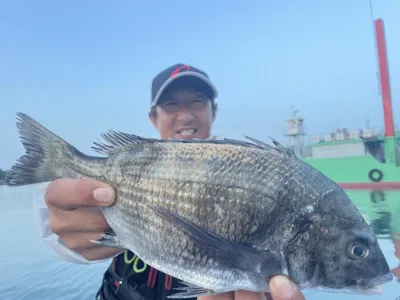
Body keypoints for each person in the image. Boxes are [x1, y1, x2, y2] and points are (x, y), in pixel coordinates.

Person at [34, 63, 306, 300]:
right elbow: (64, 222)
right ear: (153, 117)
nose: (185, 115)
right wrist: (64, 227)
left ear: (214, 110)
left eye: (197, 101)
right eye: (171, 104)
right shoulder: (132, 168)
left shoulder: (249, 173)